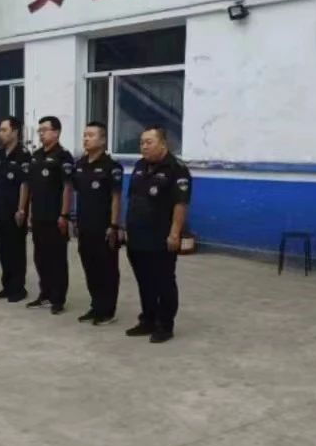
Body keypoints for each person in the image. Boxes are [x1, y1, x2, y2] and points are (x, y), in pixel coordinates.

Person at [124, 127, 191, 342]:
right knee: (145, 281)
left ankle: (165, 325)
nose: (144, 146)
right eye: (142, 142)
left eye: (149, 142)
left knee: (163, 281)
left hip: (161, 236)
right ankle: (148, 320)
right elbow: (132, 200)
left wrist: (175, 234)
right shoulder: (140, 166)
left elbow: (180, 204)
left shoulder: (177, 169)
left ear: (163, 144)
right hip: (137, 235)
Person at [72, 121, 123, 323]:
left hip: (104, 227)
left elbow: (116, 198)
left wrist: (114, 225)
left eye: (91, 135)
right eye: (85, 135)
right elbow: (78, 194)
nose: (86, 138)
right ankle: (96, 305)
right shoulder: (80, 165)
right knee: (90, 267)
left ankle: (107, 310)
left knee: (107, 269)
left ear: (102, 140)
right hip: (85, 226)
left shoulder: (112, 167)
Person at [24, 116, 74, 313]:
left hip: (55, 217)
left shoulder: (63, 157)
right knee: (40, 257)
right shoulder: (36, 156)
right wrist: (29, 212)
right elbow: (31, 187)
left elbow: (67, 188)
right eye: (40, 130)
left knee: (57, 259)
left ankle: (58, 299)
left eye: (45, 130)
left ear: (57, 132)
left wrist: (64, 214)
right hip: (38, 215)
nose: (41, 133)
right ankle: (45, 294)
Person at [0, 114, 30, 301]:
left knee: (16, 250)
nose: (1, 133)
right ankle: (7, 286)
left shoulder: (23, 155)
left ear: (15, 132)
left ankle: (18, 288)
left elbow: (25, 183)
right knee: (3, 249)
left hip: (15, 211)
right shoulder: (0, 154)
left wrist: (21, 209)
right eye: (0, 130)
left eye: (4, 130)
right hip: (0, 208)